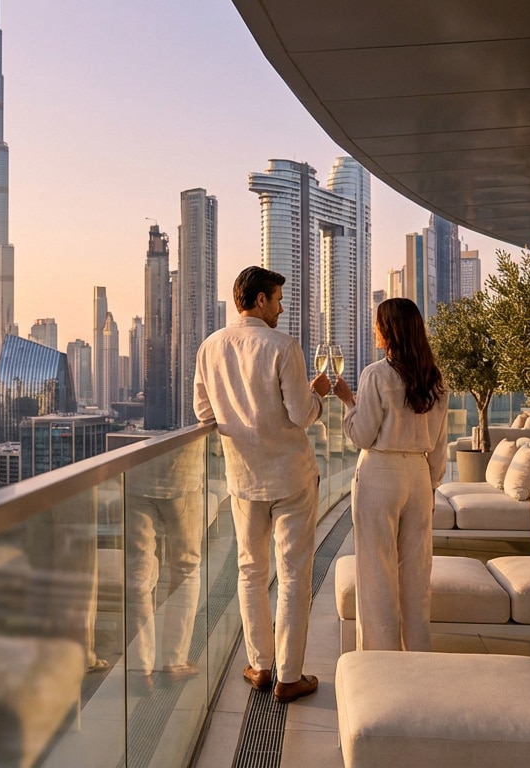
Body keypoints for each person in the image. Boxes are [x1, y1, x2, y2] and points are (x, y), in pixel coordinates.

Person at [194, 265, 330, 703]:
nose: (281, 307)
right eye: (276, 299)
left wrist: (242, 422)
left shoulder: (209, 347)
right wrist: (319, 396)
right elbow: (300, 414)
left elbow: (204, 415)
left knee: (251, 572)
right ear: (258, 301)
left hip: (243, 478)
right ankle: (289, 677)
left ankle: (260, 666)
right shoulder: (283, 346)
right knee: (293, 575)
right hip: (290, 476)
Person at [332, 297, 448, 651]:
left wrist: (348, 402)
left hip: (380, 473)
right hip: (418, 474)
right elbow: (440, 446)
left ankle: (380, 661)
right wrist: (430, 488)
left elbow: (361, 435)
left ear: (390, 330)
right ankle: (416, 654)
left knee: (376, 571)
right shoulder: (435, 379)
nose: (373, 329)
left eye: (377, 323)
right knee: (416, 573)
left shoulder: (377, 375)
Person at [123, 440, 204, 691]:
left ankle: (140, 669)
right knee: (186, 567)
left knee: (138, 572)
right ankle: (174, 662)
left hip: (135, 473)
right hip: (182, 475)